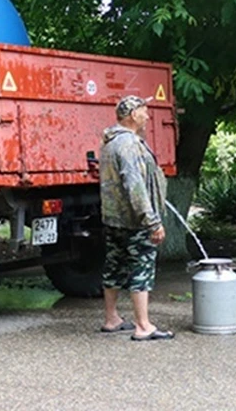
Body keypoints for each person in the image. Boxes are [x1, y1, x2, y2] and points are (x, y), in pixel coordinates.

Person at [98, 95, 173, 340]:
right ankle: (143, 326)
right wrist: (152, 220)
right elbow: (135, 185)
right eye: (144, 111)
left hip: (114, 218)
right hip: (134, 220)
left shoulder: (111, 142)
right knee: (141, 267)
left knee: (114, 266)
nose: (147, 116)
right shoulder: (128, 144)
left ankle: (111, 319)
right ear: (132, 115)